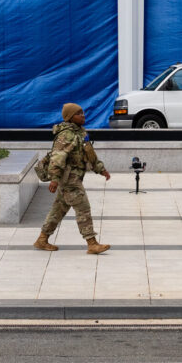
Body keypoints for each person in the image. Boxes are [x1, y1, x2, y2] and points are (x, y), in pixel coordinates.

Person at [33, 103, 111, 254]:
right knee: (83, 208)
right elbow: (58, 157)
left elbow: (89, 154)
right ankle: (92, 243)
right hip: (69, 179)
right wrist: (54, 179)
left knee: (59, 209)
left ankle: (42, 239)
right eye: (79, 113)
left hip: (73, 177)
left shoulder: (80, 132)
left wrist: (101, 169)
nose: (83, 115)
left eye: (82, 112)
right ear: (70, 117)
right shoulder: (66, 135)